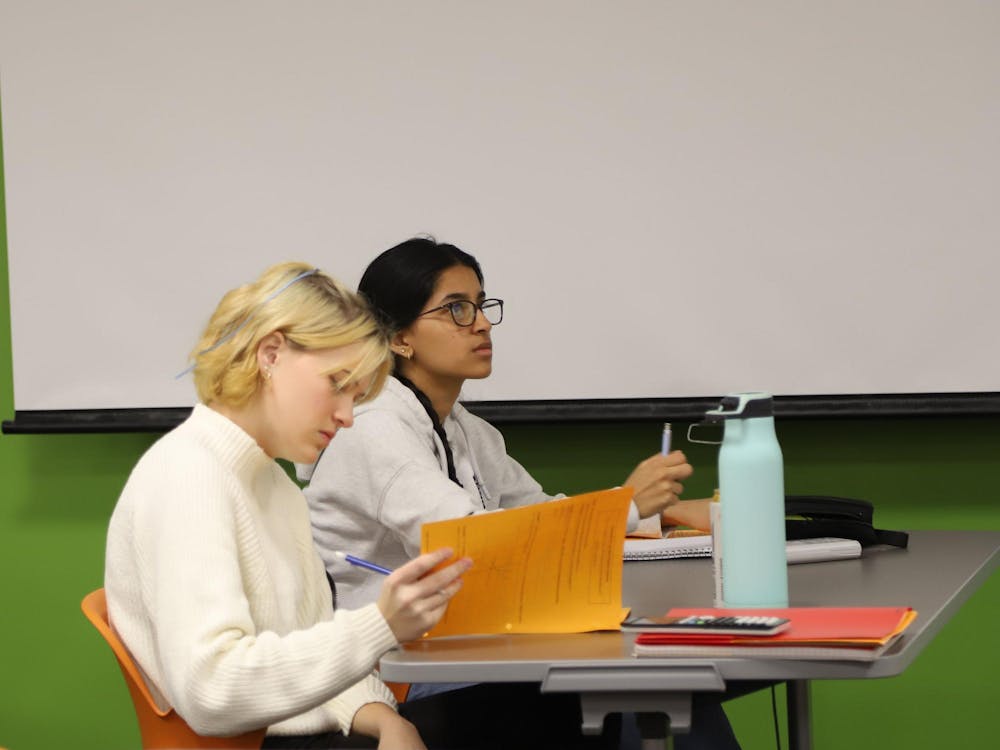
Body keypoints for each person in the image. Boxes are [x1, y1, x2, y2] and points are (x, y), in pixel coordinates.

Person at [299, 239, 746, 750]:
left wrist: (657, 515)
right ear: (400, 337)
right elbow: (471, 542)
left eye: (482, 304)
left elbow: (538, 513)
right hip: (388, 674)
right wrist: (626, 504)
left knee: (671, 681)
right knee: (643, 680)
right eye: (456, 309)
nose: (482, 323)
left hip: (460, 645)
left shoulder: (466, 429)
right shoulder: (375, 427)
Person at [104, 262, 473, 750]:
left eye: (357, 395)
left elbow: (312, 648)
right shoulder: (188, 475)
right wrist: (378, 625)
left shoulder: (273, 486)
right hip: (254, 741)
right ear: (271, 354)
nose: (346, 416)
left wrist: (387, 720)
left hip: (300, 733)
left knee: (525, 713)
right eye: (337, 383)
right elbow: (212, 692)